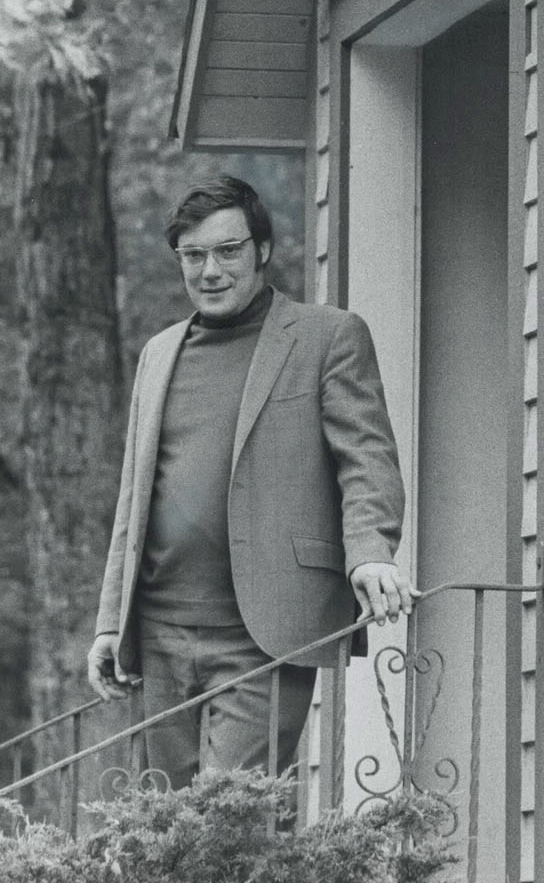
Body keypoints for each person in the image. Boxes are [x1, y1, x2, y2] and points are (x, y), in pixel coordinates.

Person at [87, 177, 411, 787]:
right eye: (193, 256)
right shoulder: (159, 353)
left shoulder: (327, 336)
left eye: (228, 251)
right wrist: (111, 622)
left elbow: (366, 459)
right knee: (165, 832)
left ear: (261, 250)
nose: (210, 271)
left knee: (229, 822)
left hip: (262, 633)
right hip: (159, 633)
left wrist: (371, 552)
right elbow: (134, 497)